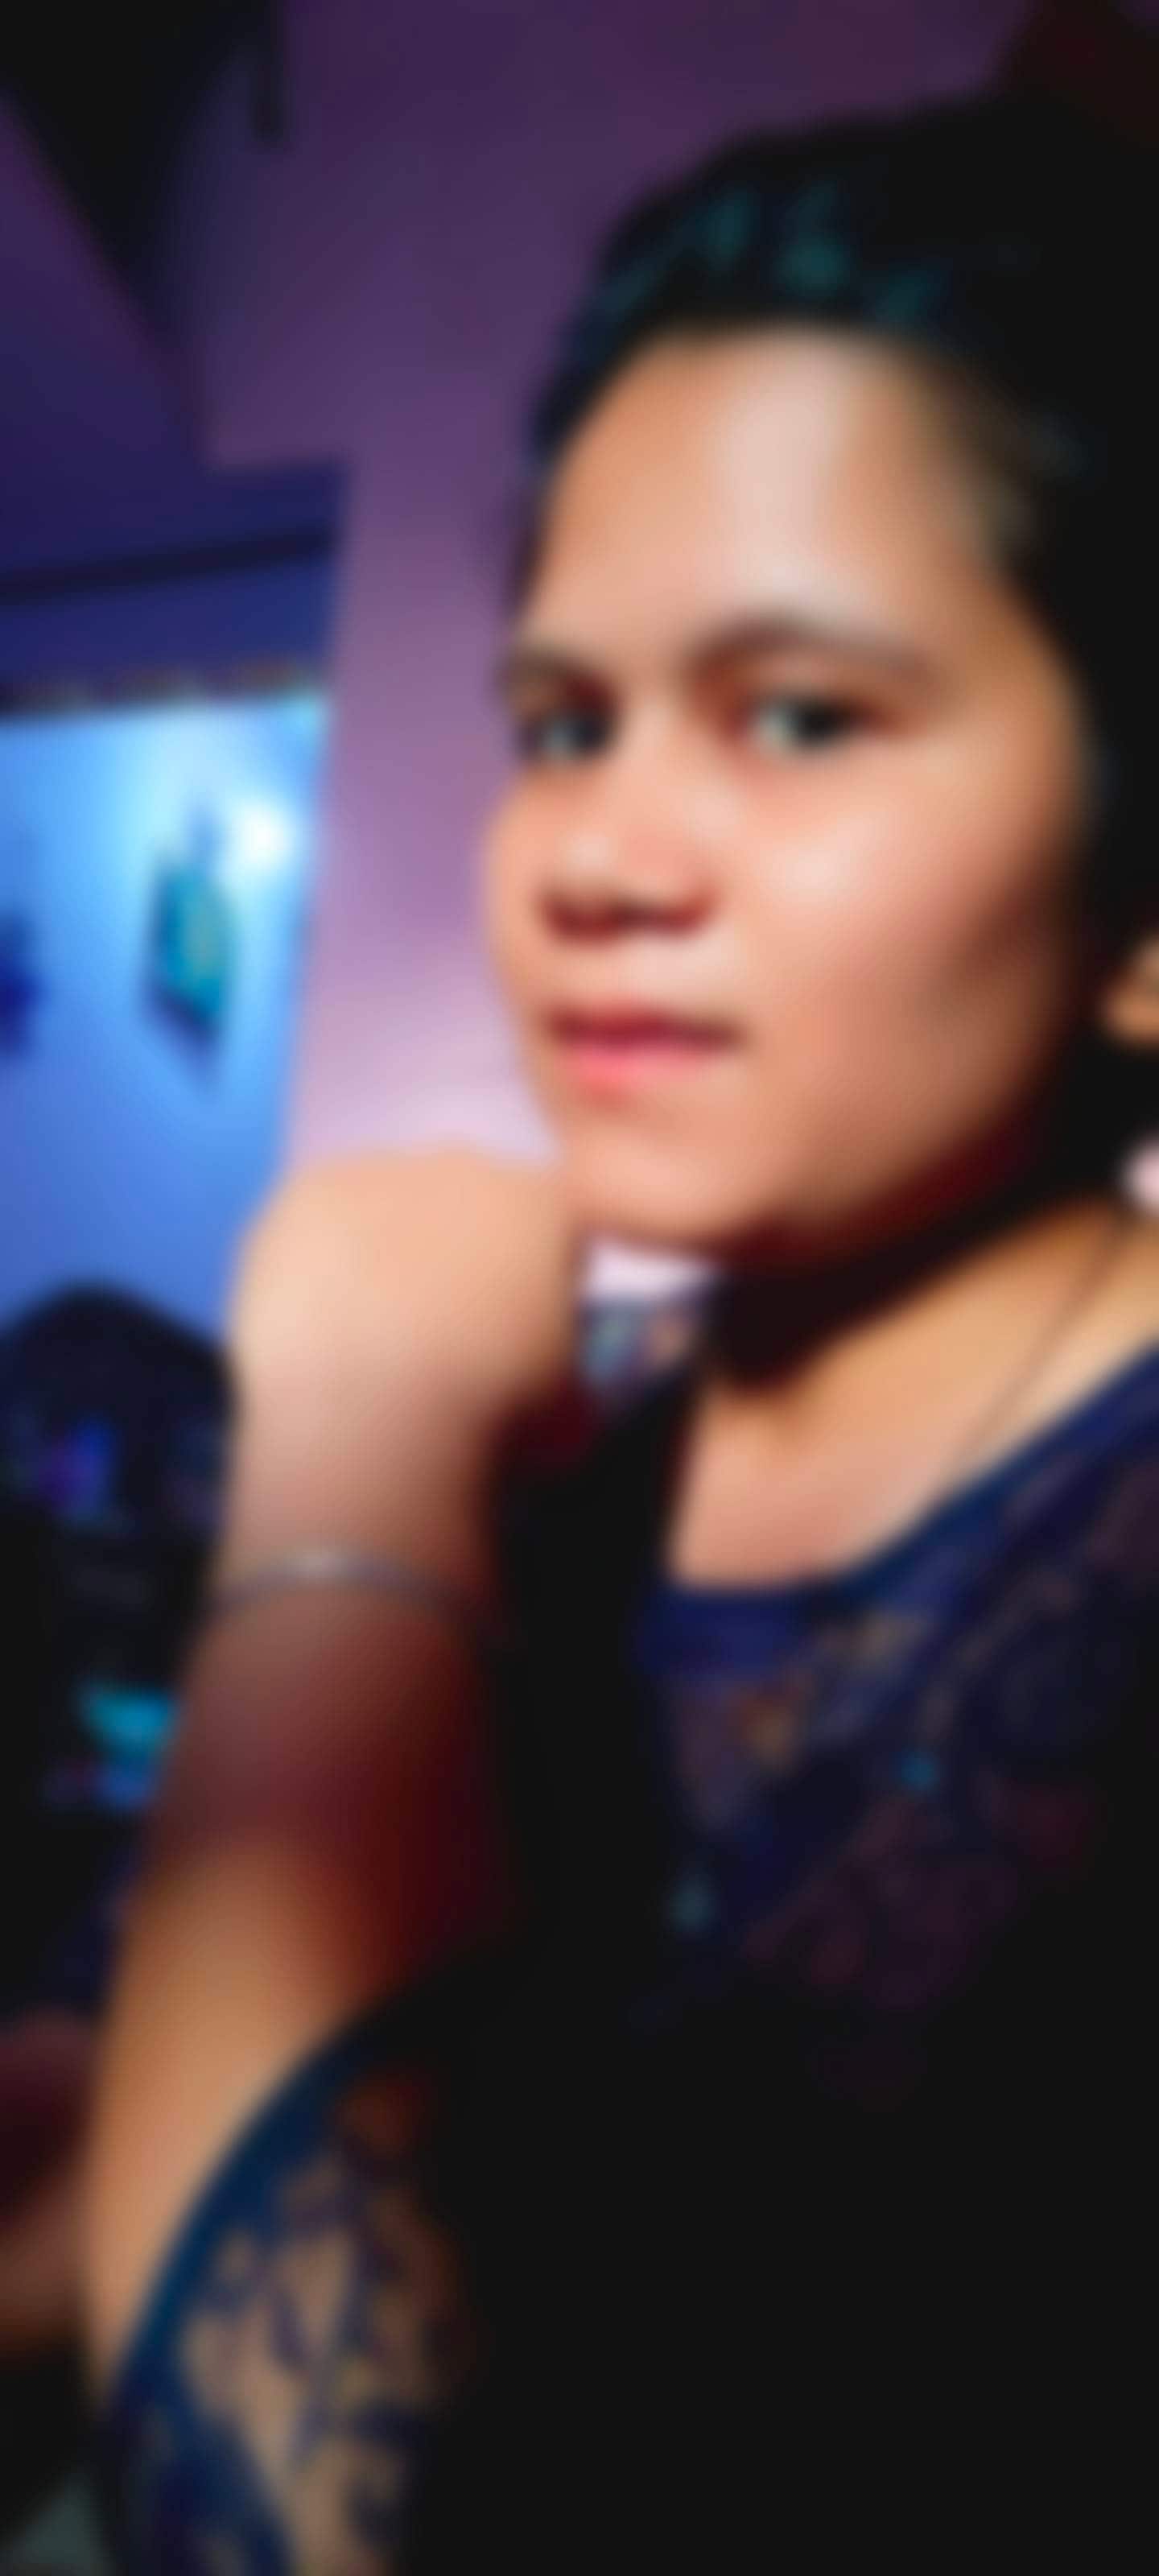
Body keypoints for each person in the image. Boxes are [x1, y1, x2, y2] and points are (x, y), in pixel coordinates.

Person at [85, 83, 1159, 2570]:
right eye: (563, 723)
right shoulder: (571, 1449)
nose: (595, 856)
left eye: (799, 715)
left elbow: (322, 2508)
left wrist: (351, 1454)